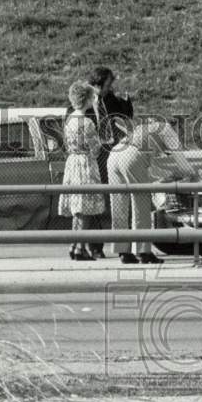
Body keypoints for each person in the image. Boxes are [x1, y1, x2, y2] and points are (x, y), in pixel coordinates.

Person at [65, 66, 135, 259]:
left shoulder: (110, 99)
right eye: (108, 84)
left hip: (108, 156)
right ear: (100, 83)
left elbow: (125, 115)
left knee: (103, 202)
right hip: (90, 157)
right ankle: (92, 246)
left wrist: (127, 102)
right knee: (88, 205)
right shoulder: (80, 105)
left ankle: (94, 246)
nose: (110, 88)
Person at [108, 118, 199, 264]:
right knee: (141, 203)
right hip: (132, 156)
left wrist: (168, 175)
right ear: (177, 127)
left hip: (114, 154)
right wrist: (192, 173)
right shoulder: (168, 130)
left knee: (118, 205)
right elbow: (180, 161)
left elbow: (149, 167)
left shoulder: (145, 129)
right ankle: (143, 251)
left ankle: (122, 251)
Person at [58, 81, 106, 261]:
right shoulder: (86, 123)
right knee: (85, 208)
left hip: (72, 163)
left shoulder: (70, 120)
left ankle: (75, 244)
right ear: (86, 99)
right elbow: (95, 148)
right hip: (85, 163)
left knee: (77, 208)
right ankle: (80, 248)